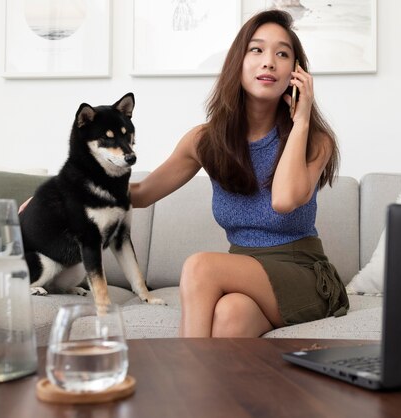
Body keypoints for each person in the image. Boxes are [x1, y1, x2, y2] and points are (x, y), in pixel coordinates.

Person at [131, 9, 349, 338]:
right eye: (257, 50)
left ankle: (178, 382)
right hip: (243, 274)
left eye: (282, 54)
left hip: (303, 274)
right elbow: (142, 194)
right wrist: (61, 195)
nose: (269, 62)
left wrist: (301, 120)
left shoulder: (315, 140)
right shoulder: (204, 141)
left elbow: (284, 199)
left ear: (295, 71)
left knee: (200, 266)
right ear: (239, 62)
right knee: (229, 317)